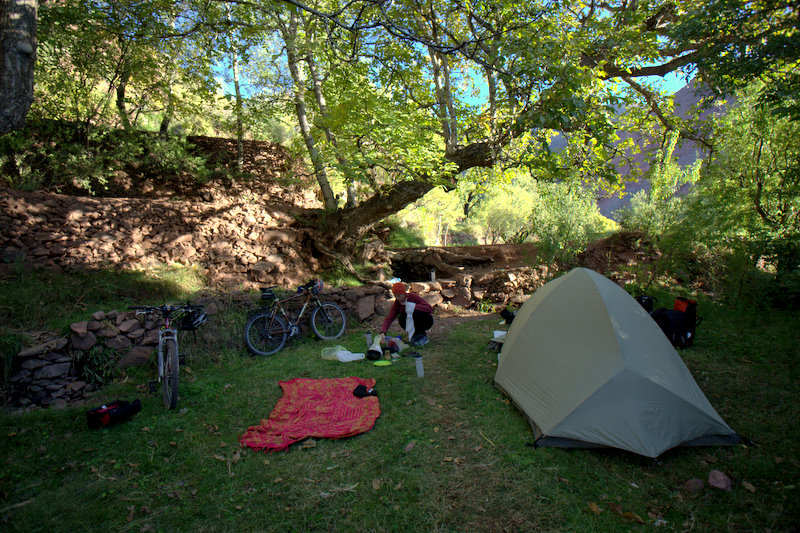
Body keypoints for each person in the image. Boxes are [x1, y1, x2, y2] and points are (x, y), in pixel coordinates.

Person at [380, 282, 434, 347]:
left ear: (404, 294)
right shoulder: (397, 304)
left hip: (425, 320)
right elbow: (389, 318)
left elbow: (429, 309)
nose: (398, 298)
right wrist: (383, 332)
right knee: (402, 317)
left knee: (415, 312)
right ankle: (414, 335)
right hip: (411, 324)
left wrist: (412, 306)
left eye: (399, 295)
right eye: (396, 296)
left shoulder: (413, 297)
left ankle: (422, 335)